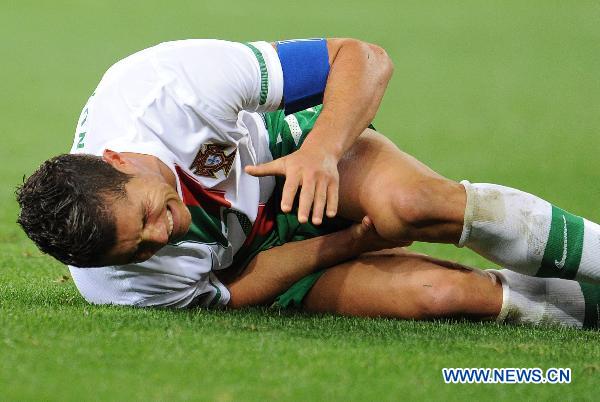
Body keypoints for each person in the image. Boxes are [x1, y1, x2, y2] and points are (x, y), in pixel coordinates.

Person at [16, 38, 600, 328]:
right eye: (140, 249)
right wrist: (350, 244)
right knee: (444, 298)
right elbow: (234, 290)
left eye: (146, 215)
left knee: (414, 206)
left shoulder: (163, 87)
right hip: (258, 259)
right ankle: (581, 308)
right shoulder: (113, 283)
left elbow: (363, 57)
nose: (161, 236)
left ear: (117, 158)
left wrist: (321, 153)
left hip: (286, 155)